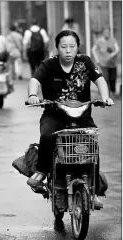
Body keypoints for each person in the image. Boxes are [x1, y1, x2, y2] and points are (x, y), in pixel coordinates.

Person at [26, 30, 114, 208]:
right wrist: (33, 94)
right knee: (47, 135)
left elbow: (100, 80)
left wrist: (105, 97)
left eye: (72, 46)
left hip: (82, 115)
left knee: (91, 143)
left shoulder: (85, 62)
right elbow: (35, 80)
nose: (68, 50)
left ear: (77, 47)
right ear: (57, 48)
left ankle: (95, 189)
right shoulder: (49, 64)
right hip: (54, 115)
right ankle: (42, 172)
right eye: (63, 47)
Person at [92, 27, 120, 97]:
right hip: (103, 64)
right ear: (103, 33)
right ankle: (107, 94)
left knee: (113, 78)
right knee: (106, 78)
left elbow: (117, 49)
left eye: (108, 32)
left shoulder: (113, 40)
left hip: (113, 64)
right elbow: (93, 49)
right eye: (105, 32)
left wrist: (112, 55)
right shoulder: (99, 41)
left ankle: (113, 92)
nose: (106, 33)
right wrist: (97, 59)